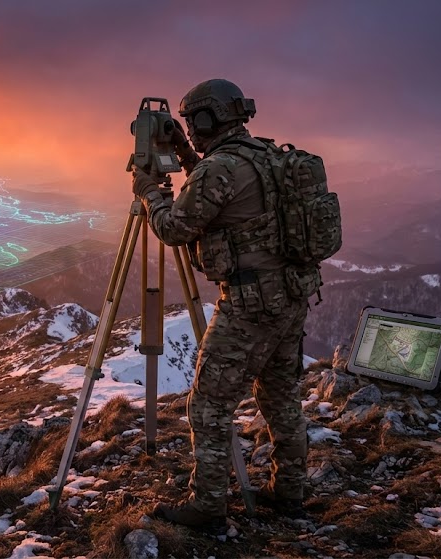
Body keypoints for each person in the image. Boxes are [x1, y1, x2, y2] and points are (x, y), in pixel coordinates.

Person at [132, 78, 311, 528]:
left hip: (250, 302)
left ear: (208, 118)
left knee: (209, 407)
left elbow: (175, 227)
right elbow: (218, 190)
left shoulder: (220, 169)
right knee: (280, 394)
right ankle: (288, 491)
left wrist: (150, 193)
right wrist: (188, 158)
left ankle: (208, 507)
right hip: (290, 295)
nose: (189, 131)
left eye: (192, 122)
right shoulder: (265, 156)